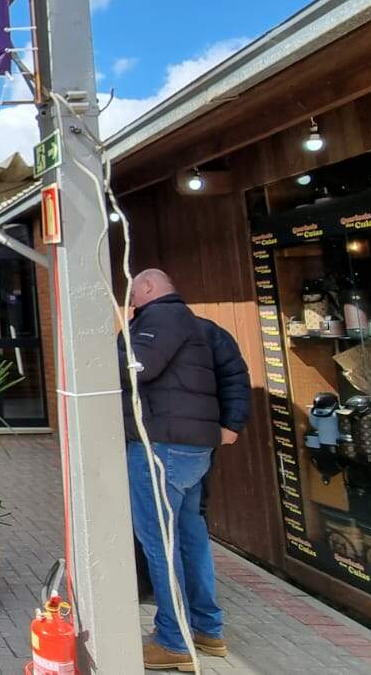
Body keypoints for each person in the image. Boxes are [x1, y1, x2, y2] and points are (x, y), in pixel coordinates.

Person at [118, 269, 226, 670]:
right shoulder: (191, 322)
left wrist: (112, 353)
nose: (130, 299)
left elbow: (138, 367)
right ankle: (207, 630)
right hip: (191, 448)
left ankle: (174, 640)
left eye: (133, 291)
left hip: (161, 448)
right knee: (190, 539)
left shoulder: (159, 318)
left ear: (149, 286)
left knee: (160, 545)